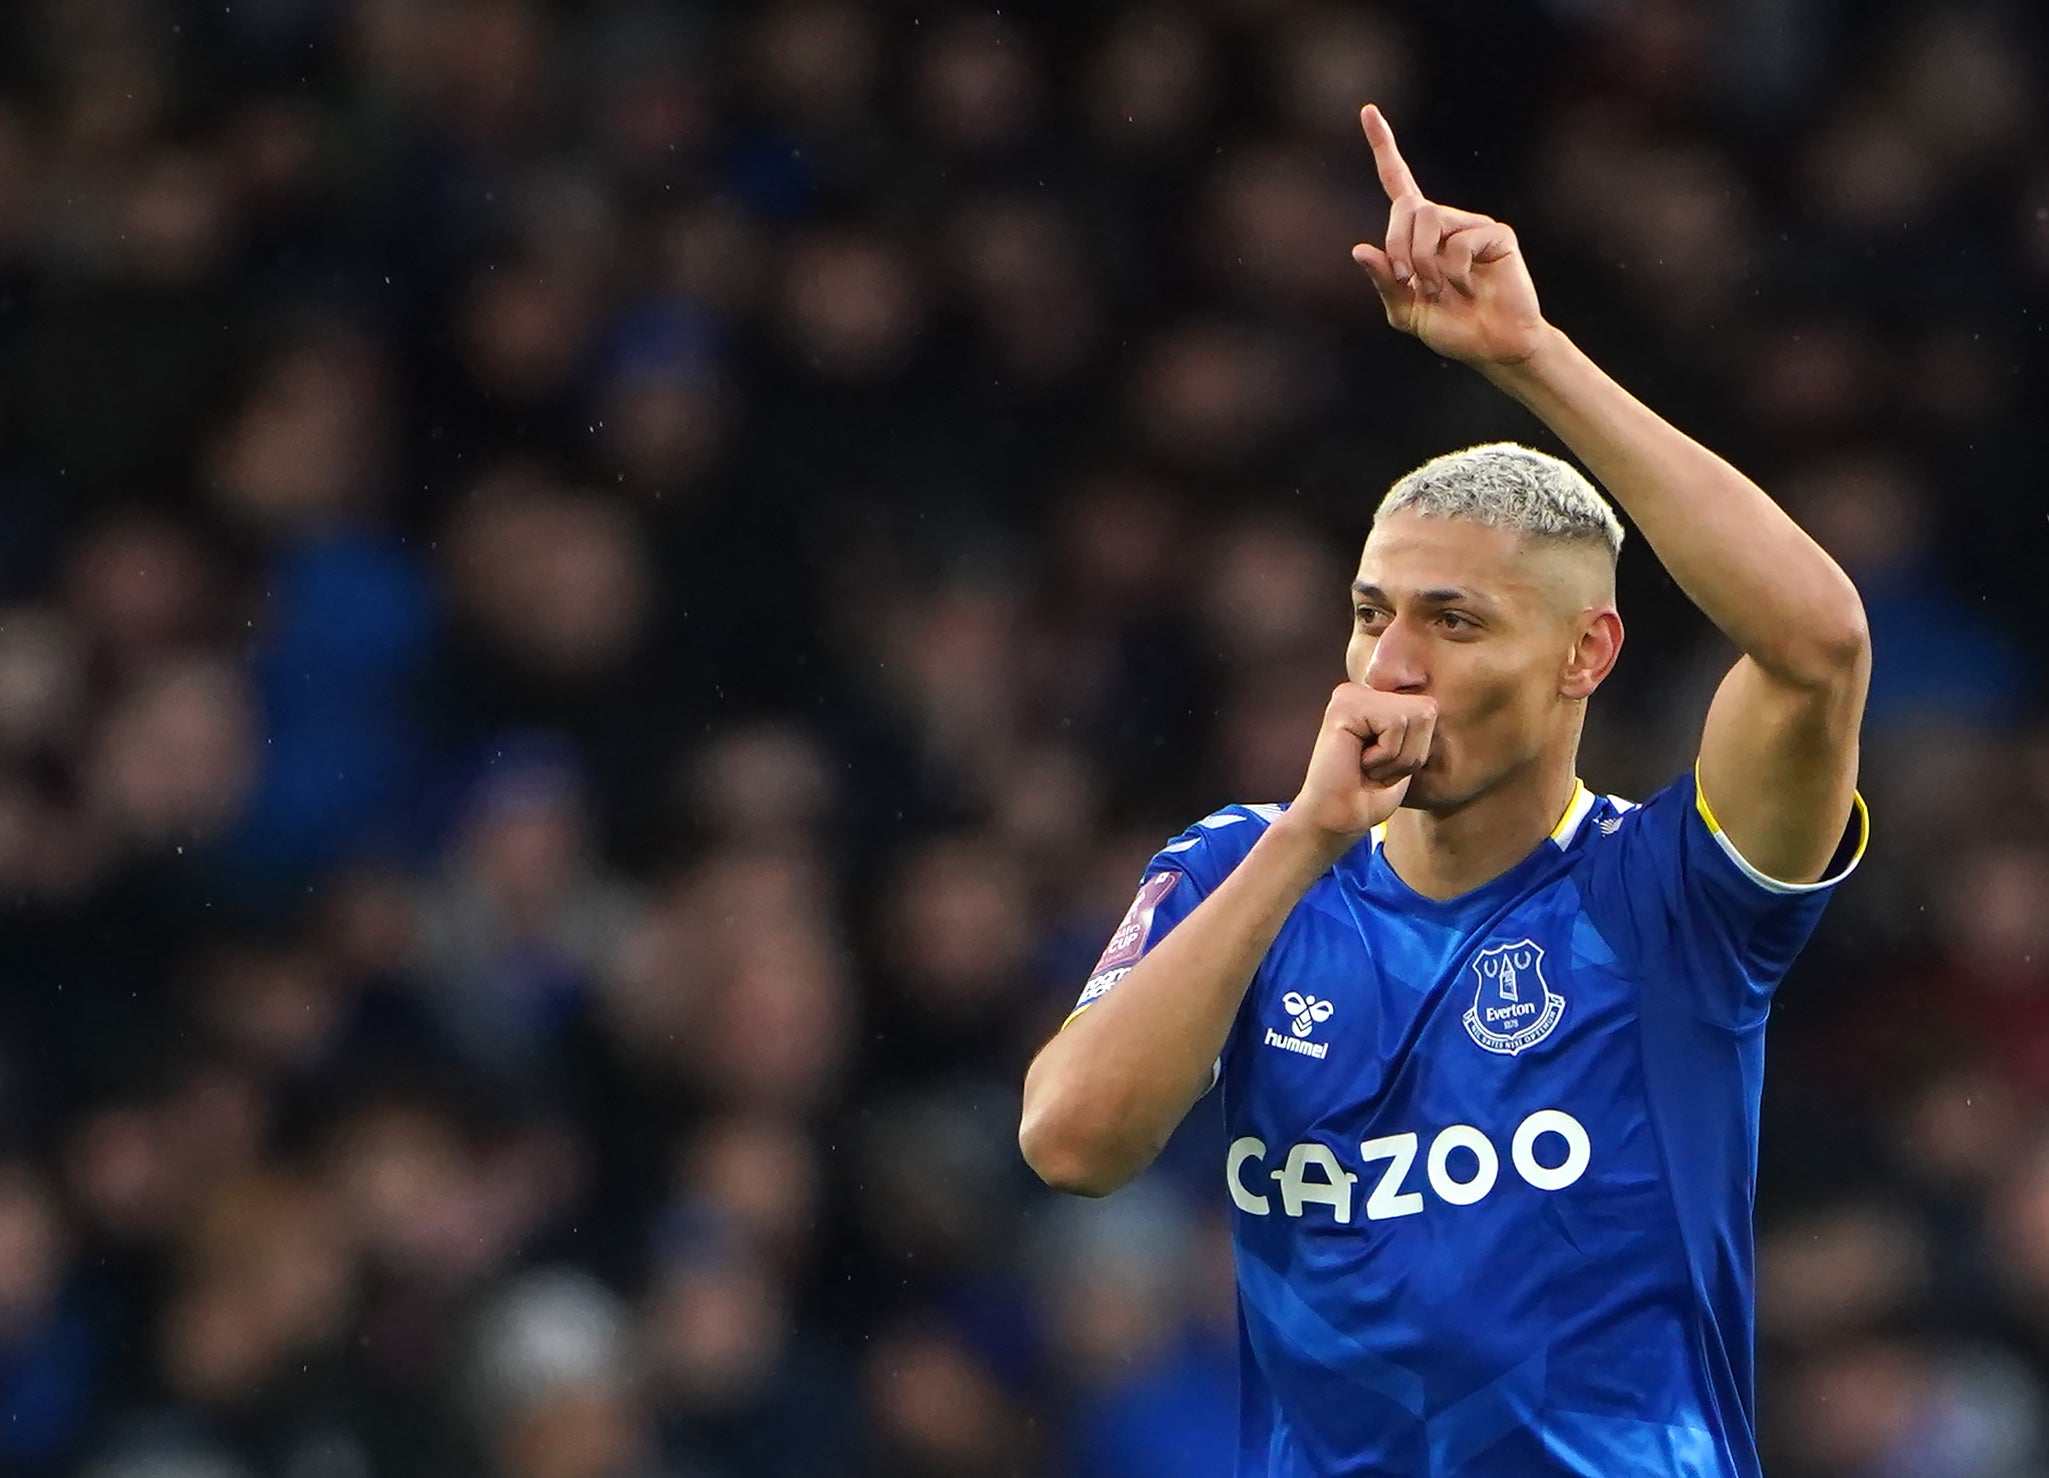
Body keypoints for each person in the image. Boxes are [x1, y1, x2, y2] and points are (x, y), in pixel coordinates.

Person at [1018, 105, 1871, 1478]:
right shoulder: (1242, 865)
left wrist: (1530, 357)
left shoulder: (1670, 898)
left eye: (1454, 622)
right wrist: (1302, 841)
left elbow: (1816, 643)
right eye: (1368, 615)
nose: (1392, 665)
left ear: (1583, 652)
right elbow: (1070, 1140)